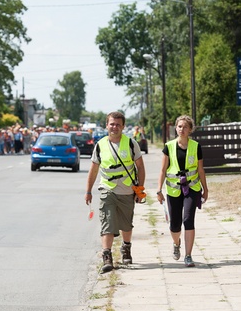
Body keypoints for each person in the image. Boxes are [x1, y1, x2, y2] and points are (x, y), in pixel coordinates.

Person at [85, 111, 146, 273]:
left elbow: (140, 167)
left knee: (126, 224)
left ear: (123, 126)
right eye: (112, 124)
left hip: (127, 190)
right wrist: (88, 190)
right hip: (107, 189)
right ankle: (107, 257)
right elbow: (93, 169)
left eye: (118, 124)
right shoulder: (100, 145)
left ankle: (126, 248)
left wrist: (140, 189)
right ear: (107, 125)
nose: (115, 127)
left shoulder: (132, 144)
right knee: (108, 222)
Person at [157, 115, 209, 267]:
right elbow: (162, 170)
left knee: (188, 219)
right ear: (176, 128)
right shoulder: (169, 146)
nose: (182, 129)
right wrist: (159, 190)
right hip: (173, 189)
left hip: (192, 188)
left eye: (185, 127)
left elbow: (200, 169)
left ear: (190, 129)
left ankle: (188, 255)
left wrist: (205, 189)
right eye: (180, 126)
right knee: (175, 224)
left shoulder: (196, 146)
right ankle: (176, 243)